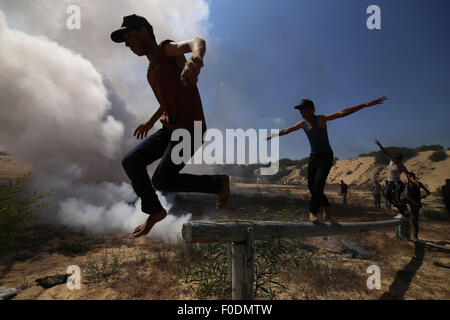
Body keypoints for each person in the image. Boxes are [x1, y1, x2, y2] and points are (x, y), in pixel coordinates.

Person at [111, 14, 230, 238]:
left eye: (130, 36)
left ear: (144, 30)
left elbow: (197, 42)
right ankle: (155, 211)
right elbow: (165, 100)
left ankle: (219, 183)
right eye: (125, 41)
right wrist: (151, 121)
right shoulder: (150, 72)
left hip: (191, 129)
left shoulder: (166, 50)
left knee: (162, 180)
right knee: (131, 161)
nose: (128, 44)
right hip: (169, 128)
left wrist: (195, 59)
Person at [267, 96, 387, 222]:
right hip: (313, 156)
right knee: (311, 187)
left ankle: (313, 212)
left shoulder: (321, 119)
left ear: (313, 110)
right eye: (301, 112)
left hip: (326, 156)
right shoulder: (303, 124)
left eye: (305, 111)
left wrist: (364, 104)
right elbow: (287, 130)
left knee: (318, 184)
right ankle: (327, 206)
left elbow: (341, 113)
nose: (303, 114)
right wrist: (271, 136)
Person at [375, 140, 409, 218]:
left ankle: (403, 212)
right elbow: (385, 152)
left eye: (398, 160)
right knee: (389, 198)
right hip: (390, 183)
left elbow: (408, 173)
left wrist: (408, 182)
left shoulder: (401, 166)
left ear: (400, 160)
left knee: (396, 199)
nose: (396, 161)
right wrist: (380, 145)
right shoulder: (391, 161)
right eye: (395, 160)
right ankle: (403, 210)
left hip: (397, 184)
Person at [402, 172, 431, 241]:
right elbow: (400, 190)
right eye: (408, 177)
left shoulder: (418, 183)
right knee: (400, 200)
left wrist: (424, 197)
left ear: (412, 177)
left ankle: (415, 235)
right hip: (409, 200)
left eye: (409, 177)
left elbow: (428, 192)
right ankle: (405, 212)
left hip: (416, 203)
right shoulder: (407, 183)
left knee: (415, 219)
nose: (408, 178)